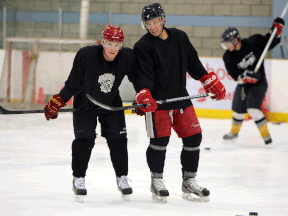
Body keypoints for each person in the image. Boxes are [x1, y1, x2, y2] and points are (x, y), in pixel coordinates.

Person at [133, 3, 226, 203]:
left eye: (155, 22)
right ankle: (156, 180)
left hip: (181, 98)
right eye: (148, 23)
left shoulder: (180, 37)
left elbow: (193, 63)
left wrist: (207, 80)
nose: (152, 27)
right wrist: (144, 94)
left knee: (194, 138)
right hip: (157, 103)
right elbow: (143, 75)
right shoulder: (143, 46)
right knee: (160, 141)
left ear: (163, 19)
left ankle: (189, 180)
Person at [44, 25, 137, 202]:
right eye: (109, 43)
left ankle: (122, 177)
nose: (112, 49)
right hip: (85, 102)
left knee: (118, 139)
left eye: (117, 45)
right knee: (84, 140)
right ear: (102, 42)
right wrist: (59, 100)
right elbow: (72, 83)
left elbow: (138, 78)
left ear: (122, 45)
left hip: (111, 103)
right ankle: (78, 178)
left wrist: (143, 94)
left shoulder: (127, 57)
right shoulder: (86, 55)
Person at [221, 17, 285, 145]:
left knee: (253, 109)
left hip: (259, 84)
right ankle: (233, 134)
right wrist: (244, 75)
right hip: (243, 85)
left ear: (235, 40)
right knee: (238, 111)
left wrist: (275, 32)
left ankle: (267, 138)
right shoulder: (227, 57)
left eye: (228, 43)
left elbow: (269, 41)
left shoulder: (253, 42)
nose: (226, 47)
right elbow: (235, 76)